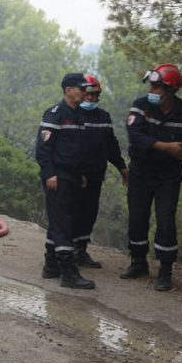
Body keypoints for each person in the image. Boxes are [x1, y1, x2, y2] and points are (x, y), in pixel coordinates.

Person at [120, 63, 182, 291]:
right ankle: (138, 262)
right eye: (151, 86)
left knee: (166, 221)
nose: (152, 91)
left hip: (168, 178)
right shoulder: (140, 107)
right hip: (140, 174)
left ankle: (165, 271)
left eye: (157, 87)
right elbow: (135, 136)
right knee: (138, 219)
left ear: (172, 90)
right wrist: (167, 147)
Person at [35, 73, 96, 289]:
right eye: (80, 88)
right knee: (63, 224)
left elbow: (77, 150)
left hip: (72, 176)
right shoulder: (55, 114)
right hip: (57, 176)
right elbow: (43, 149)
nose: (84, 92)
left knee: (60, 221)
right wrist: (49, 173)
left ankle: (51, 265)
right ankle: (68, 274)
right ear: (68, 90)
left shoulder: (79, 115)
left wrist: (80, 174)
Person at [74, 74, 128, 268]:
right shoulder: (72, 115)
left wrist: (122, 167)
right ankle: (65, 253)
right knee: (72, 213)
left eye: (94, 95)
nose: (90, 98)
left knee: (89, 213)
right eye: (87, 94)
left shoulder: (104, 117)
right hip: (74, 176)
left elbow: (111, 146)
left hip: (95, 175)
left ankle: (81, 251)